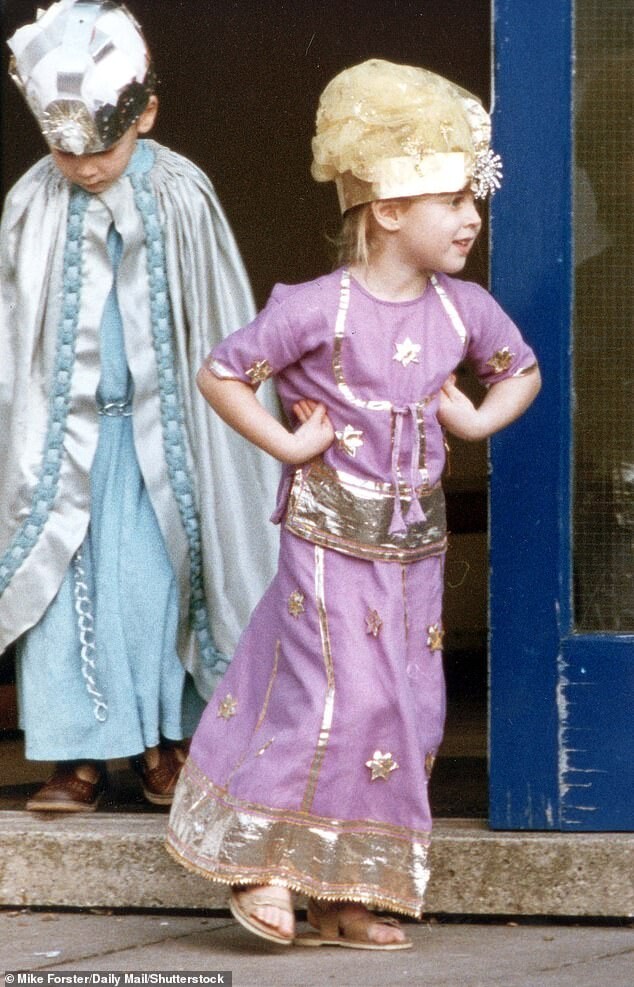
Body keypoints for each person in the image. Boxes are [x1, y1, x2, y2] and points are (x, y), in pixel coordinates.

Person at [166, 59, 541, 948]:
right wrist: (291, 444)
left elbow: (519, 369)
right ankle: (266, 867)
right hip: (328, 546)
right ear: (387, 211)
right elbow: (223, 370)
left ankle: (344, 895)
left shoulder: (465, 312)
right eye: (453, 200)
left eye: (469, 199)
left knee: (407, 706)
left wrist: (480, 418)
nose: (471, 218)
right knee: (337, 695)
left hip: (413, 552)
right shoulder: (316, 309)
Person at [0, 0, 279, 812]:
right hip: (67, 442)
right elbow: (18, 327)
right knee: (66, 584)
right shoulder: (31, 203)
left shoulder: (182, 193)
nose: (83, 167)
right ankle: (76, 757)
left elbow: (217, 313)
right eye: (64, 150)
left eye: (103, 148)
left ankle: (165, 742)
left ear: (146, 114)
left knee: (161, 581)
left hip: (165, 442)